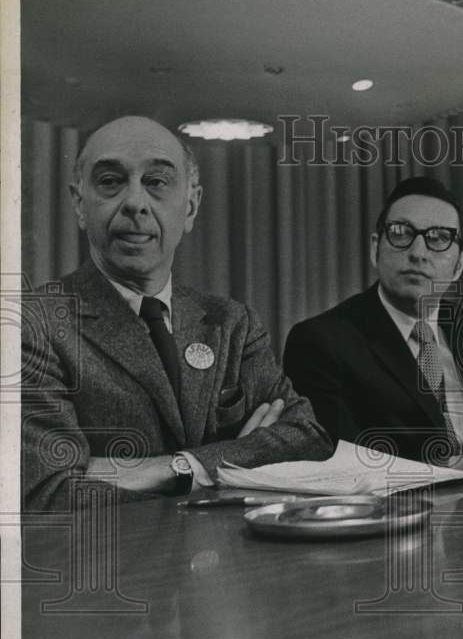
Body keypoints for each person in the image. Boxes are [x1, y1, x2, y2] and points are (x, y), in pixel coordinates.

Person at [21, 116, 334, 510]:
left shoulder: (232, 323)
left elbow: (309, 438)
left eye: (156, 181)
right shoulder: (34, 325)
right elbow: (48, 494)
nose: (135, 203)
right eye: (111, 181)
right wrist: (240, 457)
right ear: (80, 204)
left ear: (190, 206)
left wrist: (184, 467)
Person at [284, 176, 463, 463]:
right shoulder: (321, 342)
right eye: (400, 233)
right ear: (375, 249)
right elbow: (344, 461)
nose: (418, 253)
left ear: (459, 265)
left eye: (439, 238)